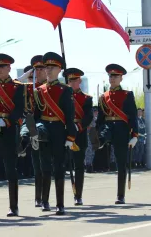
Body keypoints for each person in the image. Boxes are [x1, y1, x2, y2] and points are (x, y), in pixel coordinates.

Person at [33, 52, 77, 215]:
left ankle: (60, 203)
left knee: (59, 168)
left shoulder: (65, 90)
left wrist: (70, 136)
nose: (48, 70)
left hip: (59, 131)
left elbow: (70, 115)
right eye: (46, 67)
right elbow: (36, 115)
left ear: (59, 69)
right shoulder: (39, 90)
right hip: (44, 131)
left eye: (52, 67)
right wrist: (34, 133)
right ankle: (45, 201)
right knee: (45, 168)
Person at [95, 64, 138, 204]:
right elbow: (101, 117)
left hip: (122, 128)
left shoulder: (127, 95)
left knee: (121, 163)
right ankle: (99, 141)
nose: (112, 79)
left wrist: (134, 135)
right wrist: (96, 130)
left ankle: (120, 195)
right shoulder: (103, 97)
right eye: (110, 76)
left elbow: (132, 116)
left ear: (121, 78)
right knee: (104, 134)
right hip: (108, 126)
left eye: (115, 76)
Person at [0, 53, 25, 216]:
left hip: (10, 128)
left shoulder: (18, 86)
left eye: (2, 67)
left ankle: (13, 206)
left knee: (11, 168)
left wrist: (8, 121)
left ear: (9, 68)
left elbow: (19, 109)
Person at [63, 67, 93, 206]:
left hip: (79, 134)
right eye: (69, 80)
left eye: (74, 80)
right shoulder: (63, 96)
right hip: (64, 132)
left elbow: (88, 117)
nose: (71, 83)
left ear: (79, 80)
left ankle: (78, 195)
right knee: (62, 164)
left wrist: (78, 127)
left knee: (78, 166)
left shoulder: (86, 98)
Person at [19, 56, 47, 207]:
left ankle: (46, 196)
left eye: (42, 68)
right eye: (36, 69)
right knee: (37, 164)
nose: (39, 71)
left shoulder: (51, 86)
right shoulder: (27, 88)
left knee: (46, 165)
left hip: (47, 126)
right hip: (32, 125)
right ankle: (38, 197)